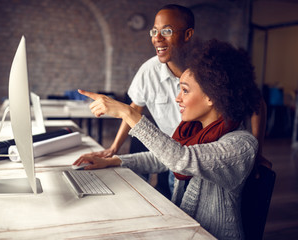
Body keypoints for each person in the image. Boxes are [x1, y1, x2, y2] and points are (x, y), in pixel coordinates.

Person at [74, 39, 262, 239]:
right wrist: (114, 161)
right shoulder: (195, 132)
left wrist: (128, 113)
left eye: (185, 90)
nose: (177, 98)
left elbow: (181, 159)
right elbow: (161, 157)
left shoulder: (242, 145)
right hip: (183, 230)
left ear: (211, 97)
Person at [77, 4, 267, 198]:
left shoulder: (237, 144)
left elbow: (182, 159)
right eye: (154, 31)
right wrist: (113, 155)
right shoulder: (151, 73)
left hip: (189, 158)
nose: (178, 99)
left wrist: (256, 153)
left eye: (166, 31)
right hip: (173, 155)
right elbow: (167, 157)